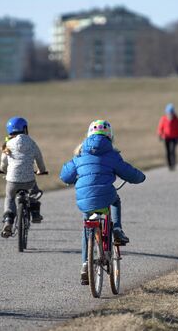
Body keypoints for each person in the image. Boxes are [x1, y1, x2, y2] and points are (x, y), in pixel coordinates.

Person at [60, 120, 145, 285]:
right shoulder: (112, 154)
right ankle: (118, 229)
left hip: (85, 199)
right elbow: (129, 173)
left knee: (87, 227)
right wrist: (140, 176)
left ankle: (85, 264)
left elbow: (65, 176)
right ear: (110, 136)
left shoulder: (80, 154)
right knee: (115, 201)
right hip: (106, 195)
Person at [0, 116, 47, 237]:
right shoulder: (31, 142)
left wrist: (2, 170)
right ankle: (35, 213)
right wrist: (42, 170)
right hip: (29, 179)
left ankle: (8, 221)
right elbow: (39, 158)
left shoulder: (8, 144)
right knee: (34, 192)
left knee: (9, 198)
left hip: (12, 180)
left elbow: (4, 161)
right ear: (25, 129)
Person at [157, 103, 178, 171]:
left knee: (172, 151)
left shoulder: (176, 118)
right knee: (168, 151)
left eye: (171, 112)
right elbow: (160, 128)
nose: (170, 114)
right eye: (169, 113)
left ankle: (173, 164)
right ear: (166, 112)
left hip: (174, 138)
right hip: (166, 138)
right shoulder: (163, 118)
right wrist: (160, 135)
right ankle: (170, 165)